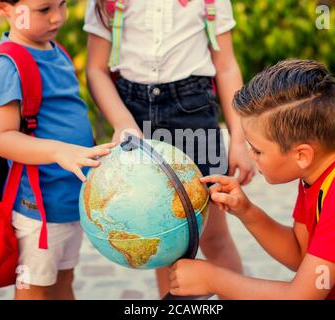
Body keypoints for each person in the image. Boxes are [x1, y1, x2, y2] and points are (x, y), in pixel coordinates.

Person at [168, 59, 335, 299]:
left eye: (257, 150)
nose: (251, 155)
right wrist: (247, 211)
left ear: (301, 155)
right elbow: (301, 255)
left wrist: (212, 279)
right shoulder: (321, 169)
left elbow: (301, 296)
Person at [83, 0, 255, 297]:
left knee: (214, 237)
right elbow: (96, 70)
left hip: (193, 112)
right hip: (135, 115)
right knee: (163, 233)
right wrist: (124, 123)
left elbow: (226, 67)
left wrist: (239, 138)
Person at [0, 0, 115, 299]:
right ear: (3, 7)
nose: (58, 17)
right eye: (44, 9)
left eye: (63, 4)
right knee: (33, 290)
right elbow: (2, 138)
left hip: (69, 201)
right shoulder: (9, 63)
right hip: (38, 210)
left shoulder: (56, 50)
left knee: (63, 282)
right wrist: (60, 151)